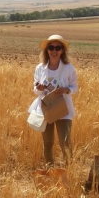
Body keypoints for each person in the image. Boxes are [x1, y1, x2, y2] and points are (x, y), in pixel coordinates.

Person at [31, 34, 78, 167]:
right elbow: (35, 90)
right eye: (51, 47)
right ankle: (49, 169)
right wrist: (39, 88)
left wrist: (66, 90)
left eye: (58, 48)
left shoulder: (69, 68)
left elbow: (75, 87)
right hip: (46, 107)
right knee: (47, 141)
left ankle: (70, 170)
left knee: (65, 141)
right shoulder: (40, 68)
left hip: (64, 109)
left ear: (62, 51)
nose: (54, 50)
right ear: (47, 50)